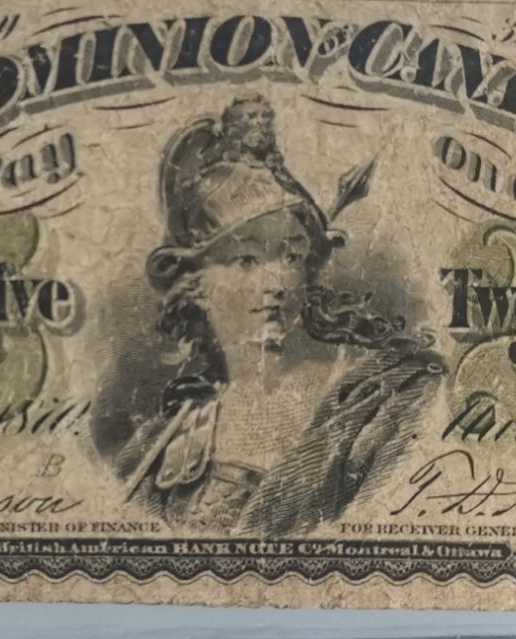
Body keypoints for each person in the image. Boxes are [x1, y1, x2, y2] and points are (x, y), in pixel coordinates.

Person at [116, 95, 444, 536]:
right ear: (196, 286)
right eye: (247, 260)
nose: (277, 282)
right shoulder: (158, 442)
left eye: (291, 256)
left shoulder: (387, 396)